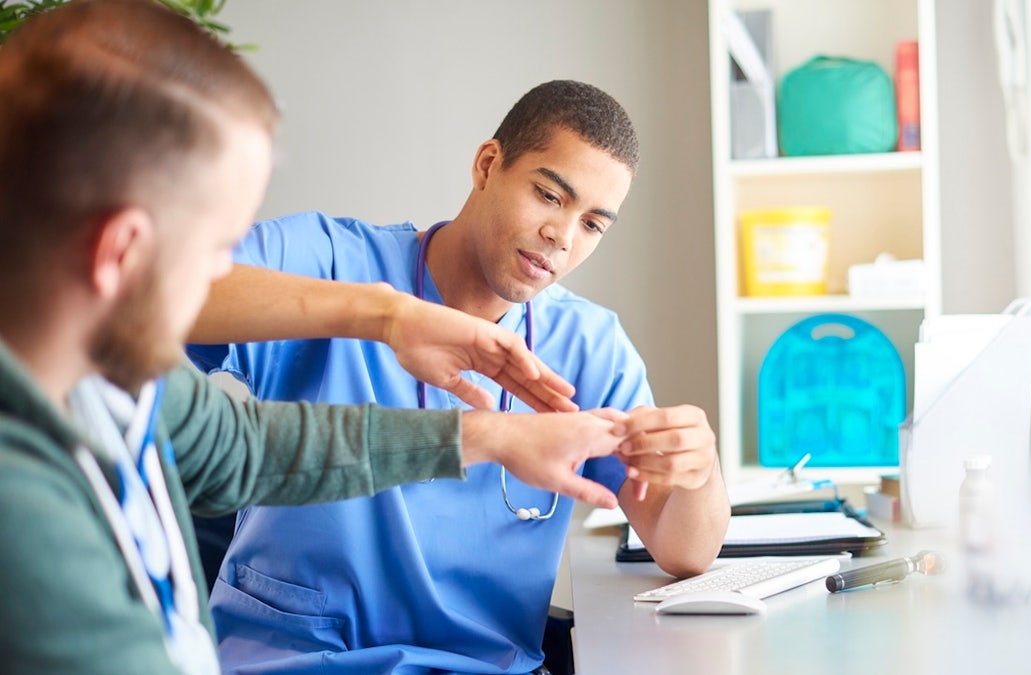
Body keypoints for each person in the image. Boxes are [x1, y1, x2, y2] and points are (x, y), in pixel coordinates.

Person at [0, 3, 640, 674]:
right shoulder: (28, 516)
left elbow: (248, 445)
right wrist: (384, 314)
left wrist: (490, 437)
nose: (228, 273)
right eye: (219, 245)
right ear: (121, 253)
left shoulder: (116, 383)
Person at [188, 79, 731, 674]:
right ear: (488, 164)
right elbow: (158, 292)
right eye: (550, 196)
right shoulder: (332, 260)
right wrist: (386, 315)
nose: (563, 237)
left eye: (593, 225)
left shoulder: (589, 345)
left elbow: (684, 550)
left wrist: (698, 470)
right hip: (297, 659)